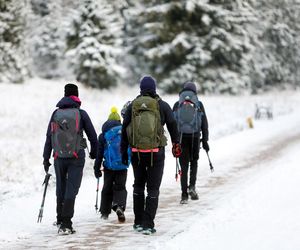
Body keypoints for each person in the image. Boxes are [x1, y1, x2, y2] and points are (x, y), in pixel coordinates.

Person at [121, 75, 180, 235]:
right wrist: (176, 144)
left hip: (136, 153)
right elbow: (173, 125)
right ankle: (148, 224)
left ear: (140, 88)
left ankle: (138, 222)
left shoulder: (133, 105)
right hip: (156, 153)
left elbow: (124, 129)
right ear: (154, 88)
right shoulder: (162, 105)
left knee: (138, 186)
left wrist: (123, 152)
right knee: (153, 189)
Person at [43, 83, 98, 234]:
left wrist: (45, 158)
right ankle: (66, 224)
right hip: (76, 156)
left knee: (61, 187)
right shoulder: (81, 114)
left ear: (65, 95)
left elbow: (49, 137)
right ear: (77, 96)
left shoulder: (56, 114)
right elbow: (93, 137)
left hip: (58, 156)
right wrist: (94, 153)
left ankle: (60, 218)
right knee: (72, 188)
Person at [173, 81, 209, 204]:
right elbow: (204, 124)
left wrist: (175, 141)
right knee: (193, 163)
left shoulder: (177, 104)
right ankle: (192, 187)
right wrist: (205, 140)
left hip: (182, 137)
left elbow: (173, 124)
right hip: (194, 137)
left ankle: (184, 195)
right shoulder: (199, 104)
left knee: (183, 166)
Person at [94, 107, 130, 222]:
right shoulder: (125, 132)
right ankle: (119, 206)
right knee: (120, 186)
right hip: (122, 165)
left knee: (107, 187)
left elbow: (99, 154)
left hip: (108, 166)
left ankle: (105, 212)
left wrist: (97, 168)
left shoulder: (103, 135)